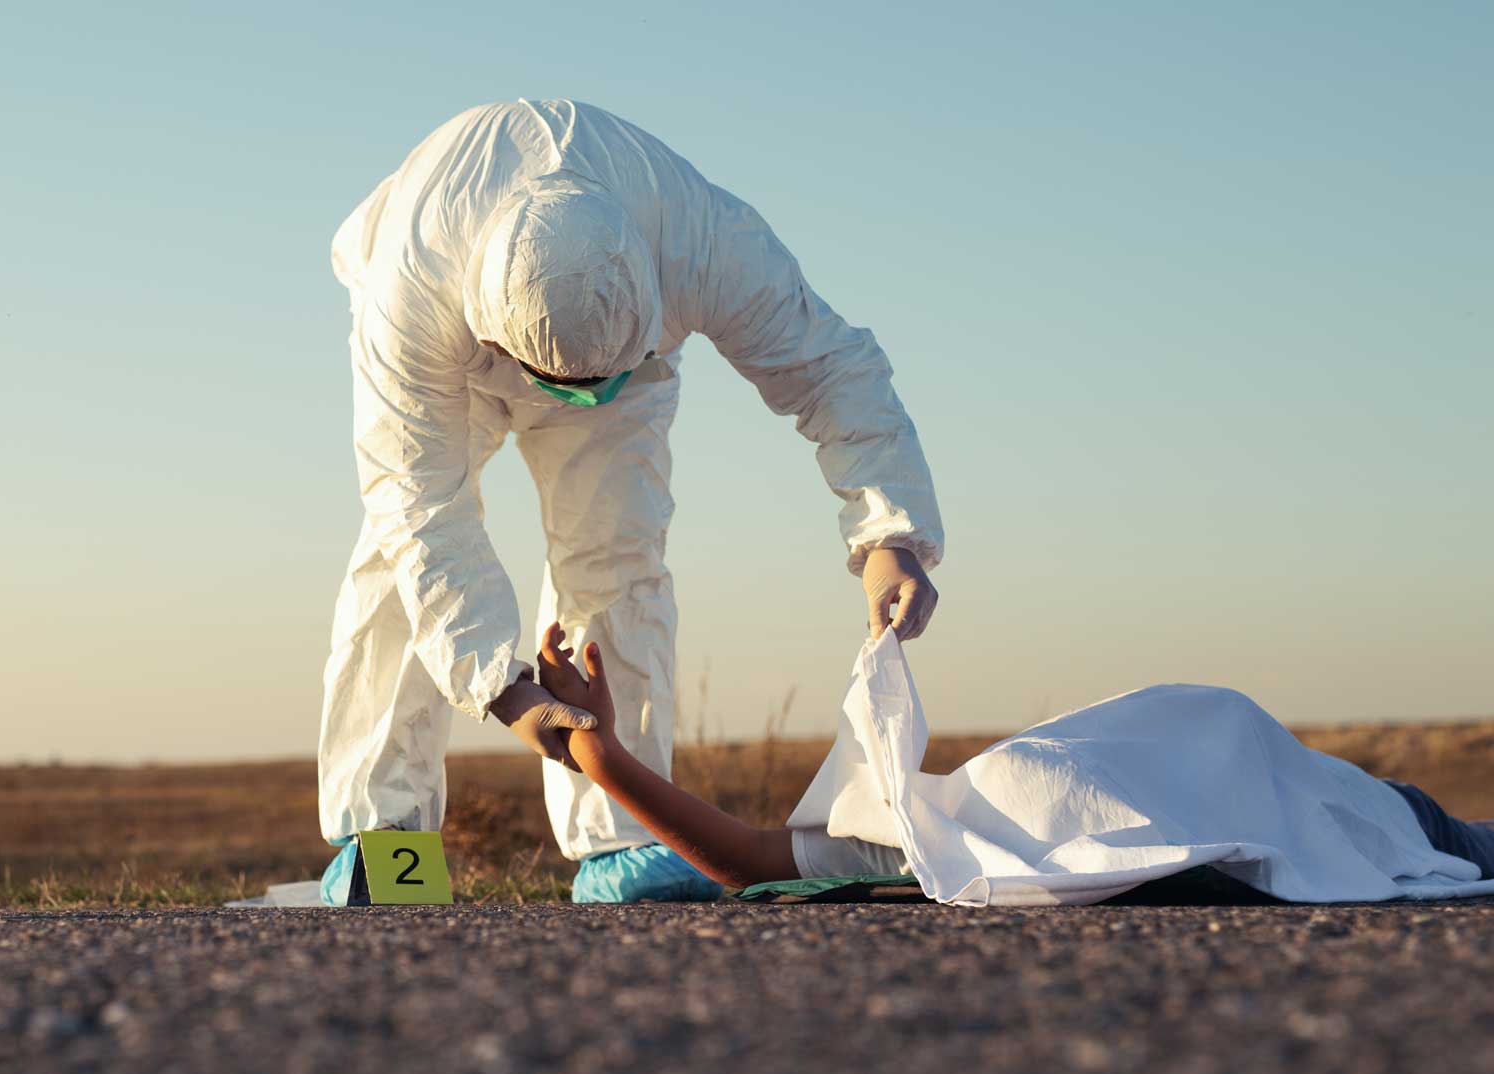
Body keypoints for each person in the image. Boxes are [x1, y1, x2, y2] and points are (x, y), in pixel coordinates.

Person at [318, 100, 945, 905]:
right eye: (560, 386)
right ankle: (387, 840)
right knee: (398, 566)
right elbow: (420, 509)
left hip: (633, 364)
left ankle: (620, 836)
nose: (569, 402)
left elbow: (831, 368)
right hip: (452, 360)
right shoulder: (408, 290)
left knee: (617, 557)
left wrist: (890, 530)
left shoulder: (704, 244)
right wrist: (502, 689)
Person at [531, 622, 1494, 904]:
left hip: (1337, 795)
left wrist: (607, 764)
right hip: (1369, 817)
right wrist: (603, 764)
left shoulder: (925, 825)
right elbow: (742, 859)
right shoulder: (913, 841)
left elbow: (746, 857)